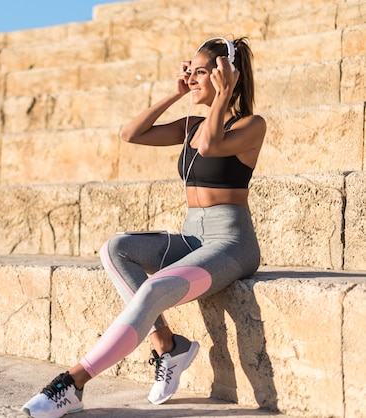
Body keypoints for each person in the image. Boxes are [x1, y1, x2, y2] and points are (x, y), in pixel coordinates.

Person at [22, 37, 266, 418]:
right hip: (193, 237)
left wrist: (224, 93)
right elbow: (131, 134)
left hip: (231, 244)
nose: (192, 77)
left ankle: (73, 383)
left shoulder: (251, 125)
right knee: (114, 248)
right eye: (192, 71)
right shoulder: (191, 125)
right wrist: (175, 94)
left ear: (225, 76)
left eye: (201, 71)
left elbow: (212, 146)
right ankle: (168, 345)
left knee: (154, 288)